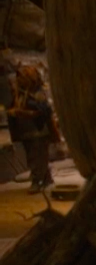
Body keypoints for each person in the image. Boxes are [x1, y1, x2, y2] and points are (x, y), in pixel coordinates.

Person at [7, 64, 55, 193]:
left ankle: (37, 180)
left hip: (38, 131)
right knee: (33, 156)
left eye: (22, 78)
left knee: (38, 157)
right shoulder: (19, 94)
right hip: (26, 132)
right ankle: (45, 178)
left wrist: (26, 111)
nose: (19, 81)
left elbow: (44, 109)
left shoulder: (37, 94)